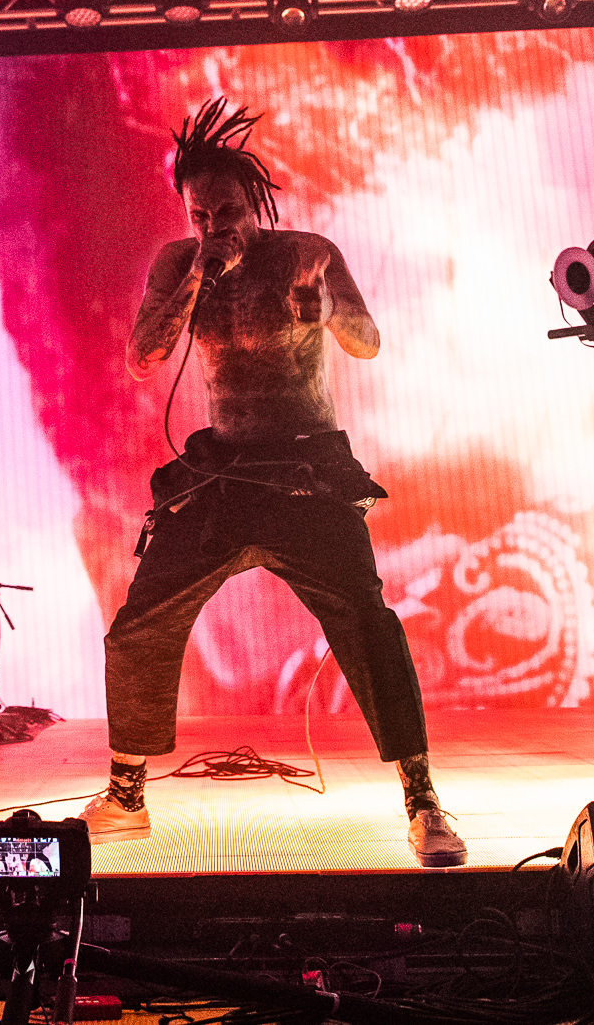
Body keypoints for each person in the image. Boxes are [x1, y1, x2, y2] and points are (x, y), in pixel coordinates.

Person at [82, 98, 467, 869]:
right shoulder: (179, 263)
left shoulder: (306, 253)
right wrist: (198, 272)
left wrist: (327, 310)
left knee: (367, 619)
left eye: (225, 210)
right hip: (222, 471)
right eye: (199, 213)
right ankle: (126, 793)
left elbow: (368, 340)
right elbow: (142, 358)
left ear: (252, 202)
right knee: (139, 620)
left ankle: (422, 799)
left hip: (304, 469)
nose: (213, 223)